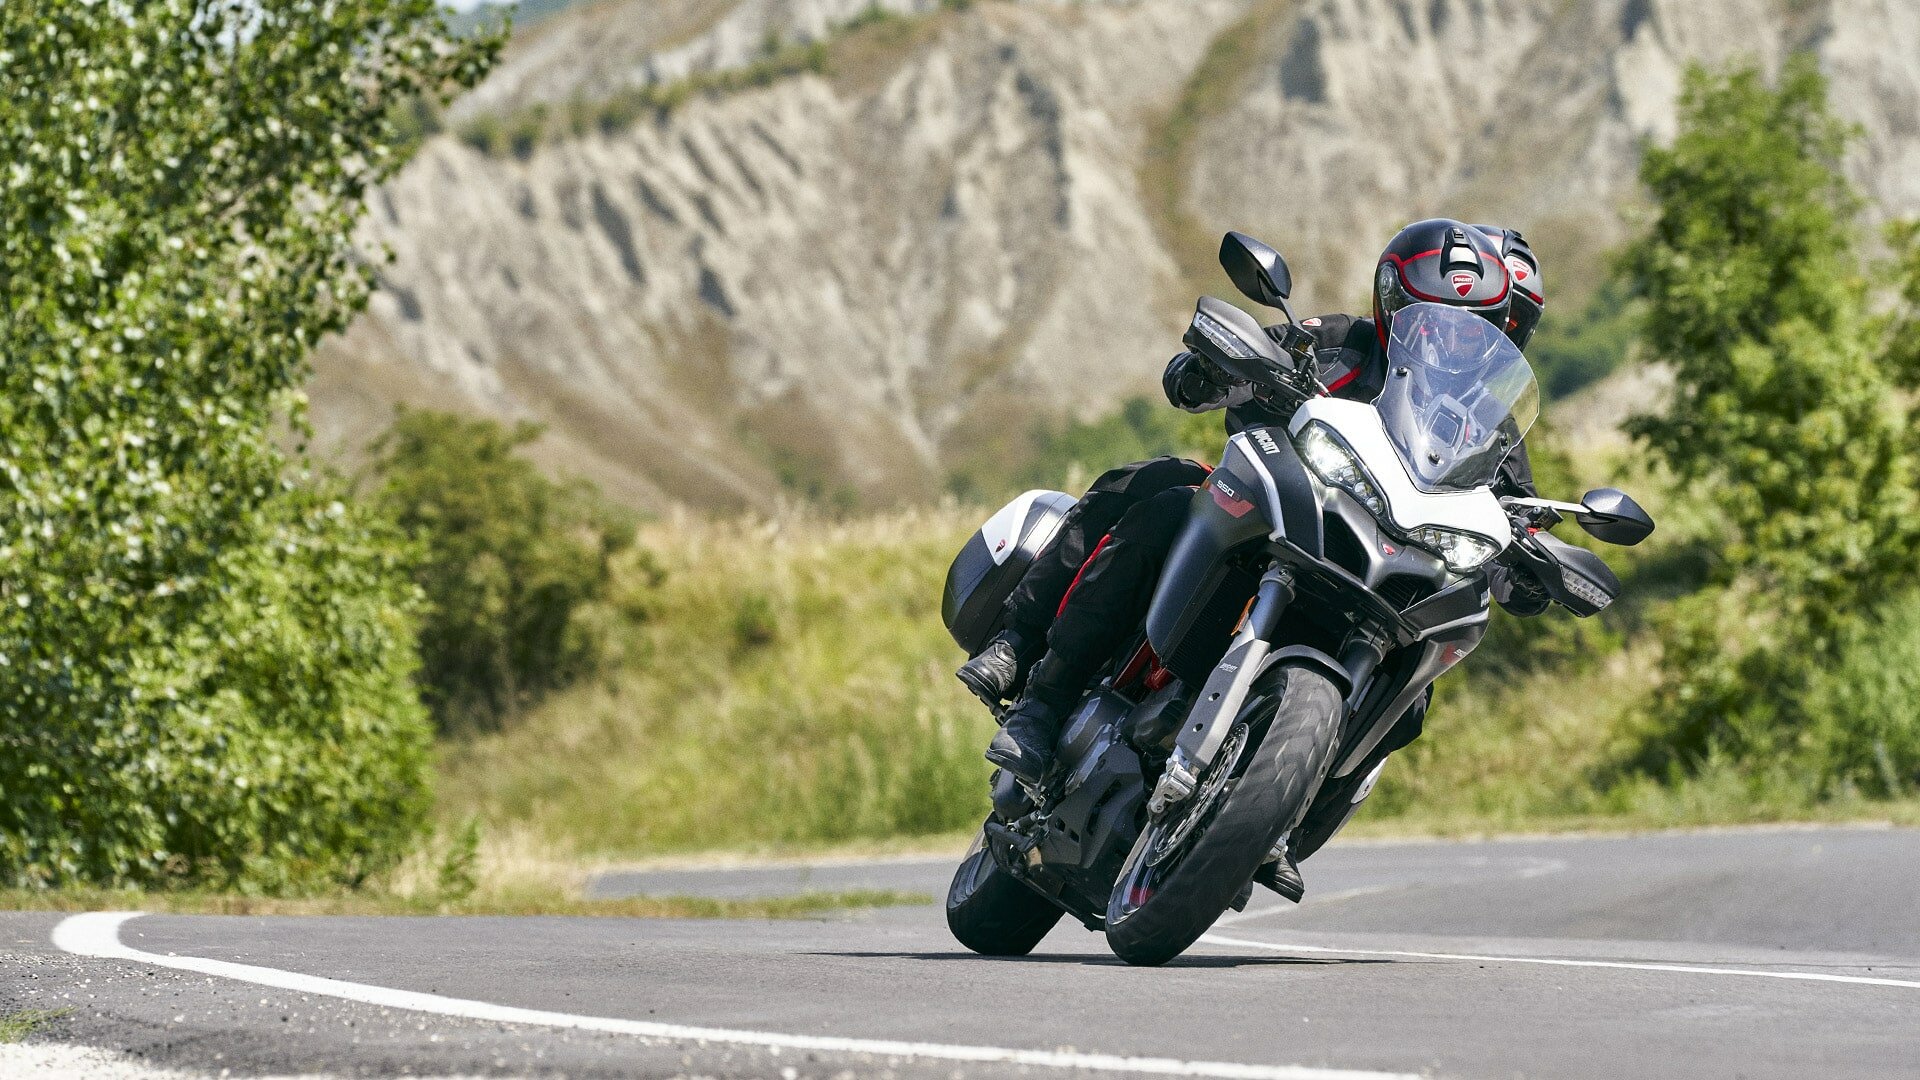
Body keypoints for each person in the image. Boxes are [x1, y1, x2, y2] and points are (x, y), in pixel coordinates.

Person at [963, 218, 1552, 799]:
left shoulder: (1493, 429)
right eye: (1436, 321)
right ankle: (1034, 683)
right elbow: (1236, 361)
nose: (1451, 341)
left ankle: (1299, 810)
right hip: (1286, 515)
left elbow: (1518, 517)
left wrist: (1534, 567)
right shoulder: (1341, 343)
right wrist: (1213, 371)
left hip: (1390, 573)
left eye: (1473, 330)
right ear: (1392, 304)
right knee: (1162, 494)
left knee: (1415, 689)